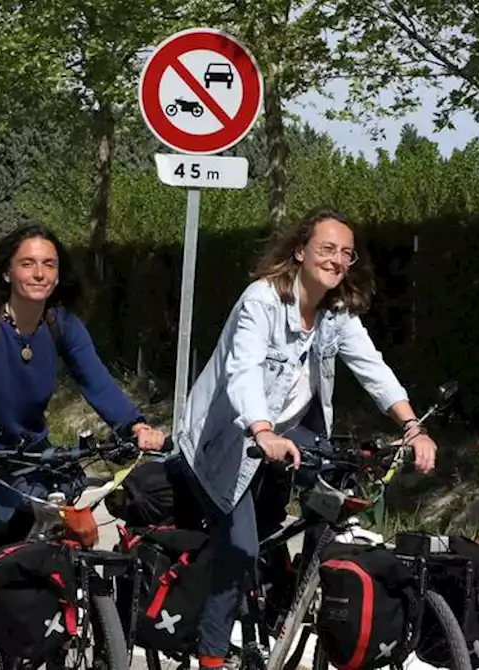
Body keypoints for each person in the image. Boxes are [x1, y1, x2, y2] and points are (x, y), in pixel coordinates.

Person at [173, 209, 438, 670]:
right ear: (300, 252)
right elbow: (243, 373)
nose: (337, 260)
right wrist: (261, 430)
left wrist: (412, 426)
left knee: (338, 483)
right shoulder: (261, 301)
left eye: (346, 253)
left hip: (289, 432)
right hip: (227, 438)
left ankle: (291, 597)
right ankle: (211, 655)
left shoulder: (336, 313)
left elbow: (373, 369)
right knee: (240, 549)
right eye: (327, 249)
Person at [0, 223, 167, 667]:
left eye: (49, 264)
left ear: (58, 275)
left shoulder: (61, 324)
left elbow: (97, 382)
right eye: (28, 263)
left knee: (63, 533)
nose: (39, 273)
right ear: (7, 272)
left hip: (32, 454)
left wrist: (135, 426)